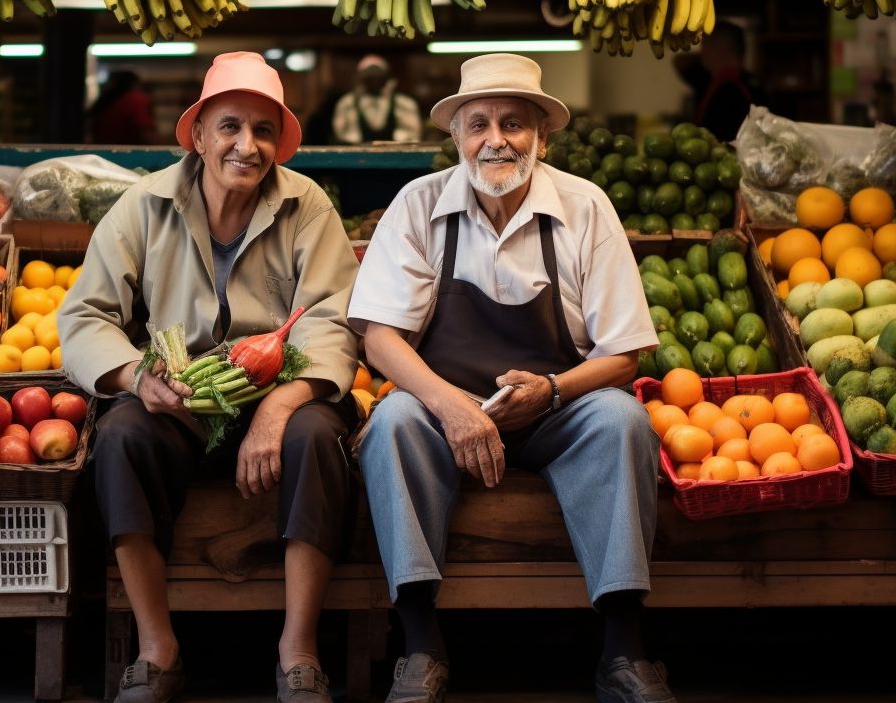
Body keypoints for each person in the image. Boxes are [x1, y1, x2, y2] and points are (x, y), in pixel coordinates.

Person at [347, 53, 674, 703]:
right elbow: (379, 336)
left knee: (623, 419)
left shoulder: (586, 208)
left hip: (558, 410)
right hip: (449, 416)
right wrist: (451, 407)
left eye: (513, 124)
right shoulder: (417, 206)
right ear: (457, 138)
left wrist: (551, 392)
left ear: (542, 137)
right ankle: (418, 646)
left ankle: (624, 650)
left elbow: (624, 355)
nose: (495, 139)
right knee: (391, 421)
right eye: (478, 124)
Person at [58, 52, 360, 703]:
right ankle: (156, 648)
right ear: (198, 136)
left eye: (263, 131)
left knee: (315, 434)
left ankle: (298, 651)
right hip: (183, 395)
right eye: (229, 127)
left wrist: (280, 408)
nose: (246, 147)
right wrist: (137, 378)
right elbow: (84, 314)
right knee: (120, 438)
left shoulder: (307, 207)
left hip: (277, 392)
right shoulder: (143, 207)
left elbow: (332, 319)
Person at [673, 20, 759, 141]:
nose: (702, 50)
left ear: (719, 47)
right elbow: (679, 62)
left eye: (705, 44)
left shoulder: (746, 89)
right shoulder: (707, 79)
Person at [331, 54, 423, 144]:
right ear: (361, 78)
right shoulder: (347, 103)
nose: (374, 81)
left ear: (386, 77)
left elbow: (412, 135)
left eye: (378, 77)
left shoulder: (404, 103)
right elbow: (341, 135)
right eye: (369, 77)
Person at [89, 69, 158, 144]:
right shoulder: (135, 99)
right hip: (131, 152)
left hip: (103, 151)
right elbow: (146, 134)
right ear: (134, 84)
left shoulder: (107, 101)